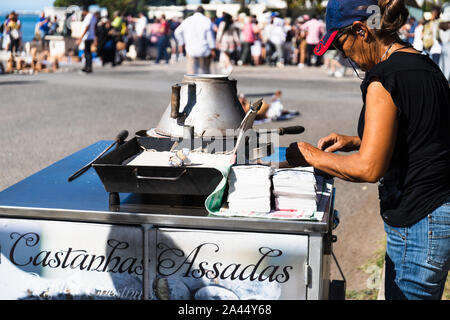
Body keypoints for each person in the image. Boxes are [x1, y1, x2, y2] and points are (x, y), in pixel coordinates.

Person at [284, 0, 449, 300]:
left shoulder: (384, 79)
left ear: (361, 30)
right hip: (436, 214)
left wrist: (311, 155)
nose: (344, 55)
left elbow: (369, 169)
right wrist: (356, 140)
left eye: (340, 44)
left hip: (418, 220)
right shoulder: (422, 64)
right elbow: (423, 131)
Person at [174, 6, 216, 74]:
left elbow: (177, 32)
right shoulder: (207, 20)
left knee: (191, 73)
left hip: (191, 50)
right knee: (205, 73)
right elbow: (210, 37)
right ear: (203, 12)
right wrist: (213, 49)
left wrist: (181, 43)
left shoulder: (187, 20)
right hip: (204, 50)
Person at [77, 6, 97, 74]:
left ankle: (88, 67)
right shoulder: (93, 16)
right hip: (91, 36)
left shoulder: (89, 16)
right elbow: (94, 27)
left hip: (87, 37)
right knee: (88, 52)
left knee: (87, 53)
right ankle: (88, 66)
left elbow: (87, 27)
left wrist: (81, 37)